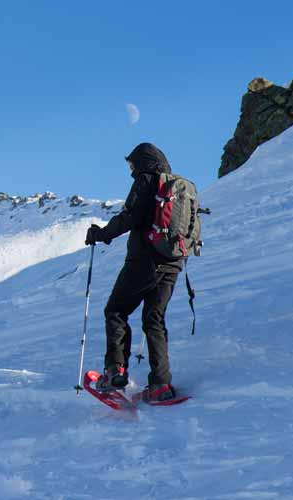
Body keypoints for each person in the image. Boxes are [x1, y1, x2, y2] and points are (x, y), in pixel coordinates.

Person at [85, 143, 183, 403]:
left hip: (144, 261)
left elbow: (130, 216)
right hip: (173, 262)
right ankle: (161, 385)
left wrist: (101, 234)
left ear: (144, 162)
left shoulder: (146, 180)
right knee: (154, 319)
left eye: (133, 164)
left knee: (116, 311)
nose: (131, 170)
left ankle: (115, 373)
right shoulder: (176, 186)